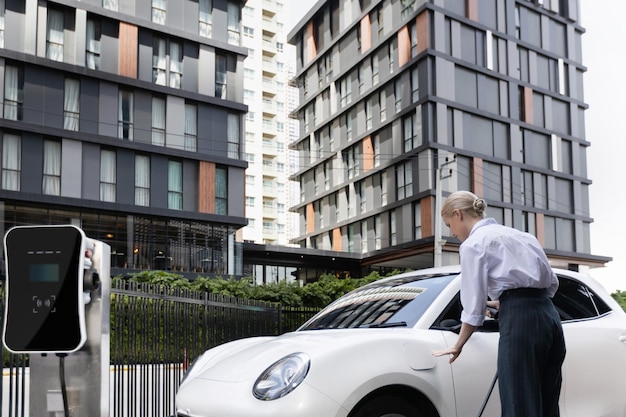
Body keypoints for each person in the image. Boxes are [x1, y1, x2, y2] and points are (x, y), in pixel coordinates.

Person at [431, 191, 566, 417]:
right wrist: (510, 301)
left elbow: (473, 304)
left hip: (520, 323)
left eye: (449, 225)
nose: (453, 233)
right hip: (549, 317)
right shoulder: (524, 236)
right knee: (547, 403)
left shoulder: (474, 243)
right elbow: (551, 284)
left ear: (458, 214)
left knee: (519, 405)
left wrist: (459, 343)